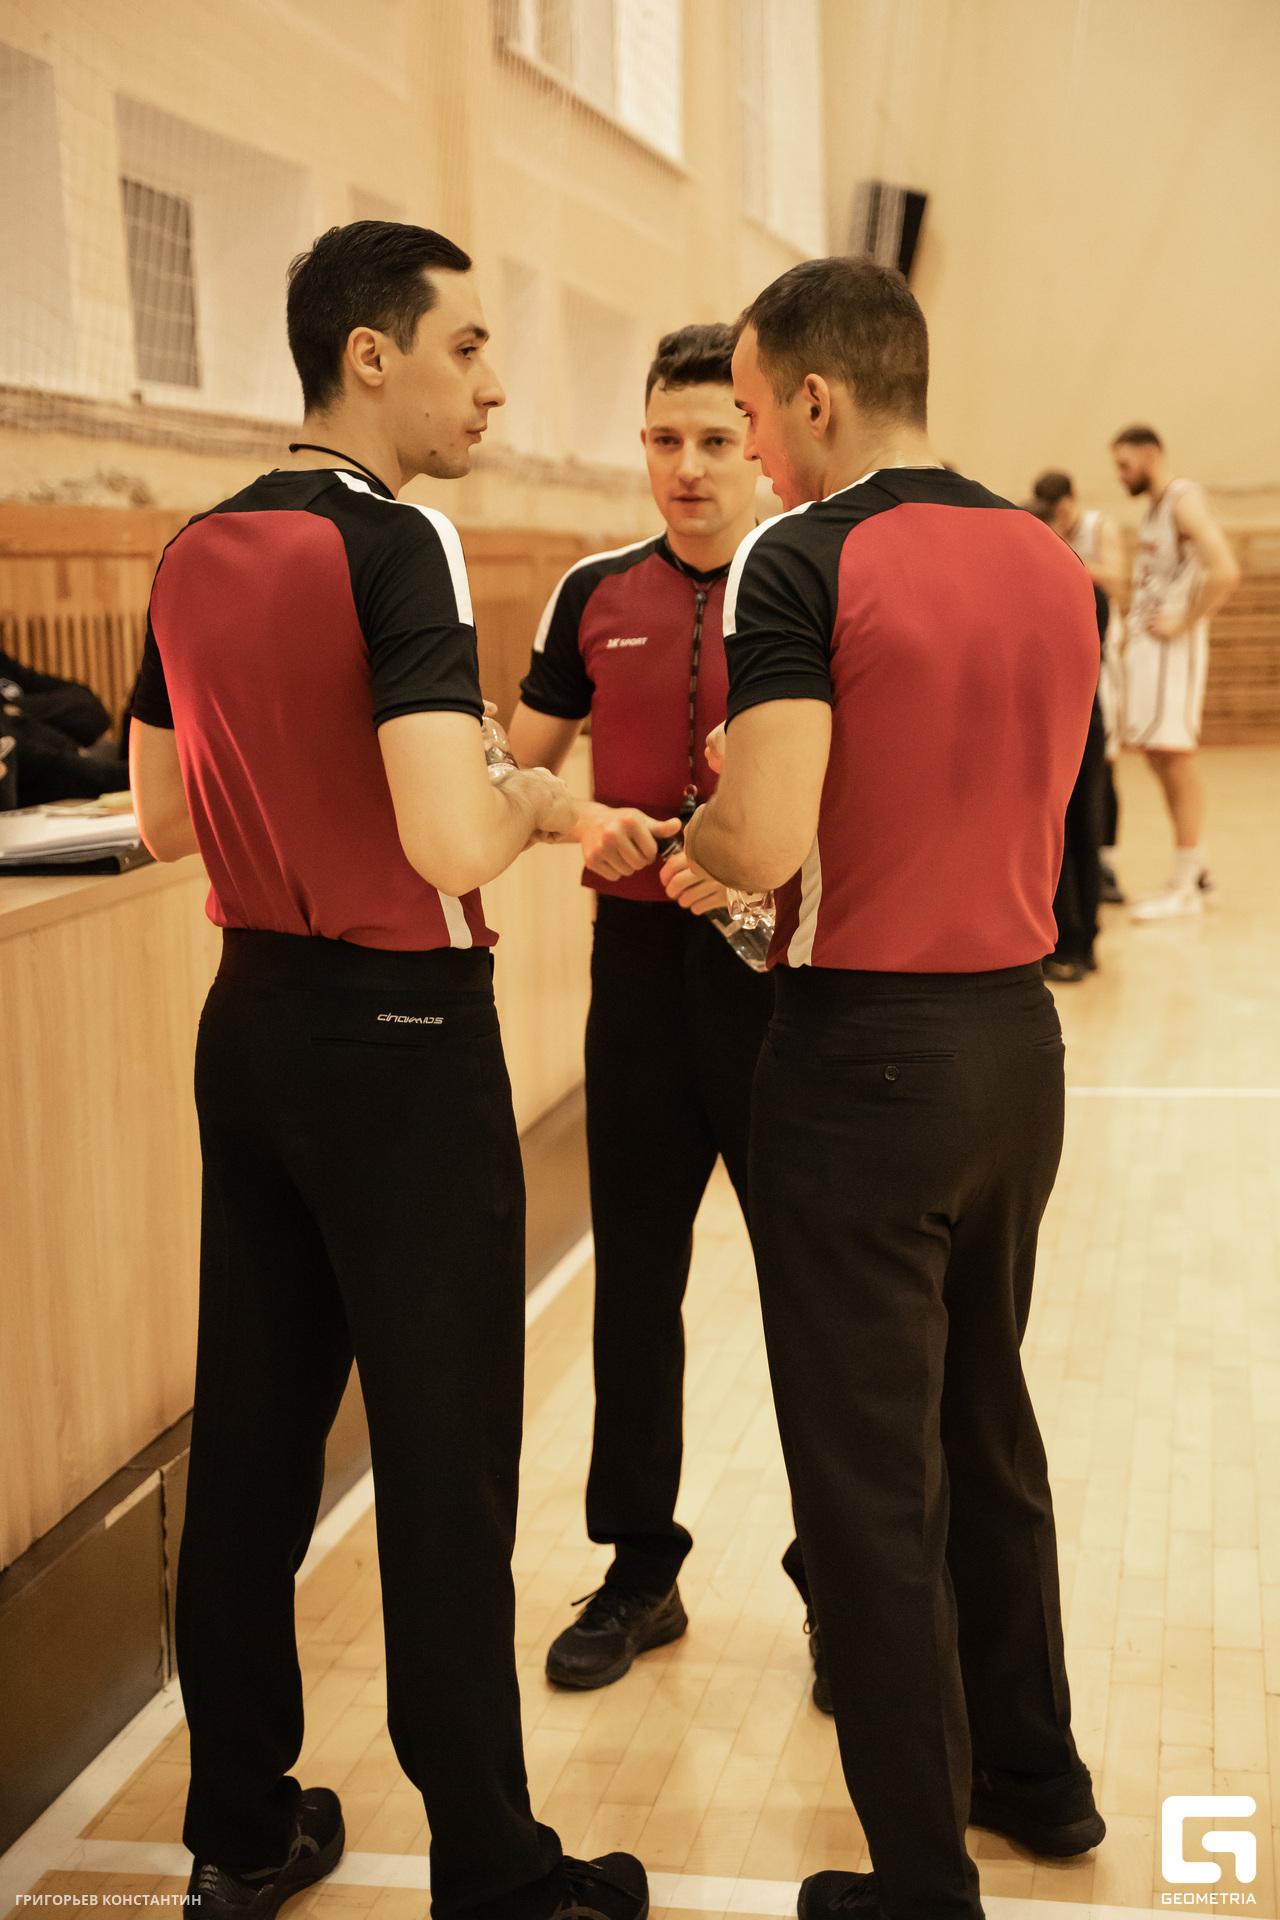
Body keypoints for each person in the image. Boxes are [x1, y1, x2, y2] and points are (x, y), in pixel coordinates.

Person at [128, 221, 647, 1920]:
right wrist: (538, 799)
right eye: (467, 346)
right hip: (403, 1043)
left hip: (252, 1025)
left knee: (254, 1448)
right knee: (443, 1465)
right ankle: (493, 1869)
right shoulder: (398, 537)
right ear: (371, 355)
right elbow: (446, 838)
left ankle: (238, 1831)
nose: (492, 384)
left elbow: (162, 816)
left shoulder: (193, 548)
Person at [683, 255, 1105, 1920]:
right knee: (982, 1420)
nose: (749, 454)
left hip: (862, 1056)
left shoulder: (800, 555)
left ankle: (920, 1882)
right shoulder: (1050, 560)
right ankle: (1035, 1779)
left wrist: (701, 830)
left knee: (867, 1481)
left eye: (749, 415)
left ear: (817, 396)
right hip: (1015, 1048)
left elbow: (764, 837)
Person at [506, 326, 828, 1709]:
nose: (687, 467)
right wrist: (578, 816)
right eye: (662, 440)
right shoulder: (591, 593)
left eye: (713, 439)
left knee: (814, 1292)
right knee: (635, 1280)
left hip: (781, 979)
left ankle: (840, 1582)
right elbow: (511, 767)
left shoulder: (811, 578)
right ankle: (640, 1570)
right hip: (636, 977)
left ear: (757, 444)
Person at [1110, 426, 1240, 919]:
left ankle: (1185, 886)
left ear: (1150, 455)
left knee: (1174, 757)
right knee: (1158, 757)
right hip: (1150, 648)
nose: (1120, 475)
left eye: (1124, 464)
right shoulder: (1157, 507)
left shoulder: (1184, 502)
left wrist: (1185, 622)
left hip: (1172, 651)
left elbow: (1225, 570)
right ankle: (1197, 872)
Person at [1030, 470, 1125, 901]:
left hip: (1105, 649)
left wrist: (1064, 562)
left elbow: (1118, 579)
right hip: (1064, 653)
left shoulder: (1097, 527)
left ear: (1071, 502)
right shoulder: (1043, 530)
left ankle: (1105, 861)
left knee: (1101, 763)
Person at [0, 650, 126, 806]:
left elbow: (91, 711)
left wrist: (17, 711)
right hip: (35, 772)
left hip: (62, 758)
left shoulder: (3, 663)